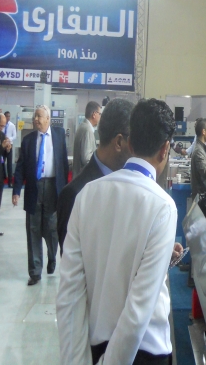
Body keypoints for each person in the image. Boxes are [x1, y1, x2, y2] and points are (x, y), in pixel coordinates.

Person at [57, 98, 183, 365]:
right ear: (165, 149)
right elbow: (138, 312)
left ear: (130, 142)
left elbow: (69, 294)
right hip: (144, 353)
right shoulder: (163, 206)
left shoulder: (87, 194)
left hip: (96, 345)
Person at [57, 98, 133, 253]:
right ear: (119, 142)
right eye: (134, 142)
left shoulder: (131, 187)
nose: (137, 151)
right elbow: (71, 262)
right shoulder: (74, 195)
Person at [13, 105, 69, 286]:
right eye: (35, 116)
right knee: (33, 229)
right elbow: (20, 167)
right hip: (34, 188)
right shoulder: (28, 140)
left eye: (39, 116)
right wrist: (16, 191)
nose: (35, 119)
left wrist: (65, 191)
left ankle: (52, 257)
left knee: (52, 228)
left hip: (53, 187)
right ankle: (35, 272)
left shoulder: (59, 135)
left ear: (48, 119)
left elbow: (63, 164)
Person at [73, 101, 101, 178]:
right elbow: (86, 159)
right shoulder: (87, 130)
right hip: (84, 178)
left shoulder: (82, 126)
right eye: (99, 114)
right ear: (94, 114)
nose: (100, 117)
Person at [4, 111, 17, 187]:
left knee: (9, 164)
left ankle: (10, 182)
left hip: (9, 146)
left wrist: (8, 139)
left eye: (9, 116)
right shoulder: (2, 125)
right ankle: (2, 179)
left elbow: (14, 136)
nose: (8, 118)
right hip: (2, 146)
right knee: (1, 163)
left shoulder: (12, 126)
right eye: (7, 116)